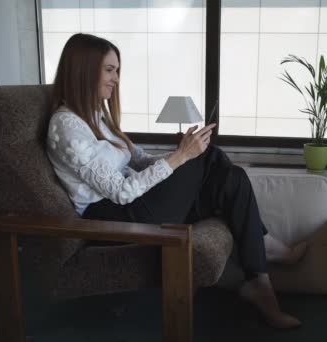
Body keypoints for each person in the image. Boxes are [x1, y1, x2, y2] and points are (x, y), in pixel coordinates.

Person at [46, 33, 306, 329]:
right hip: (112, 219)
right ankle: (264, 248)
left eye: (117, 70)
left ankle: (259, 282)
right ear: (83, 69)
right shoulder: (66, 126)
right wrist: (181, 158)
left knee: (231, 176)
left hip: (136, 205)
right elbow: (121, 193)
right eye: (109, 69)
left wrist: (179, 153)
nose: (116, 78)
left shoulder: (95, 116)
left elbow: (139, 159)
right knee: (209, 158)